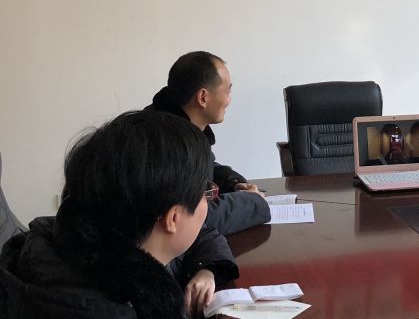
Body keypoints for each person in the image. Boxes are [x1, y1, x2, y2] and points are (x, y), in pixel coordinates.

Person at [0, 111, 238, 319]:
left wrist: (208, 270)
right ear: (173, 219)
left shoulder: (72, 239)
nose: (208, 199)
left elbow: (204, 234)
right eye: (205, 193)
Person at [148, 51, 270, 235]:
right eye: (227, 91)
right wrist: (252, 203)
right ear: (203, 97)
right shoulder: (166, 145)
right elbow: (190, 220)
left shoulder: (172, 123)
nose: (229, 100)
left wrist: (234, 183)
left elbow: (204, 167)